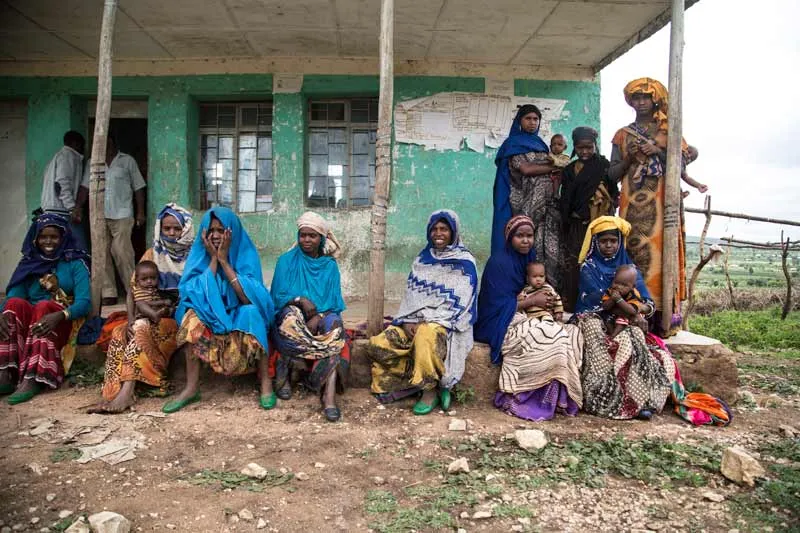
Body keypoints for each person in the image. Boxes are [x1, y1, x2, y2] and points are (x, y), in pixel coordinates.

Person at [574, 216, 731, 426]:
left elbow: (647, 303)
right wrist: (622, 306)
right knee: (597, 342)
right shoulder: (589, 267)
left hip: (625, 318)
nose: (609, 245)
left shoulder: (629, 269)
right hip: (594, 317)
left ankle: (640, 402)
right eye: (604, 241)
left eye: (613, 240)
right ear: (595, 242)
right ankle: (602, 398)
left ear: (620, 242)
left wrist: (638, 311)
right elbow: (593, 301)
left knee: (635, 341)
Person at [609, 78, 699, 335]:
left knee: (663, 257)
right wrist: (630, 156)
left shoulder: (669, 132)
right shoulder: (623, 135)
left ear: (655, 100)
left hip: (661, 206)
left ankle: (662, 320)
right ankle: (629, 316)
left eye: (645, 97)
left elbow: (680, 168)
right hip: (632, 209)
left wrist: (656, 151)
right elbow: (612, 174)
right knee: (634, 258)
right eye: (636, 98)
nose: (640, 103)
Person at [162, 207, 274, 413]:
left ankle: (266, 382)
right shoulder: (199, 256)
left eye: (221, 230)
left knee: (253, 313)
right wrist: (213, 259)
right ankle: (191, 387)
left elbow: (248, 298)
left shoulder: (246, 254)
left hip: (238, 317)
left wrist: (224, 261)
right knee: (191, 317)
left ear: (232, 232)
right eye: (210, 230)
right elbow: (193, 295)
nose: (215, 235)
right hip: (211, 318)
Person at [367, 210, 478, 415]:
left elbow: (459, 307)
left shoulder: (465, 263)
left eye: (444, 229)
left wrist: (425, 322)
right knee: (378, 344)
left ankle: (429, 390)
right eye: (434, 229)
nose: (438, 233)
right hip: (414, 322)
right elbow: (411, 298)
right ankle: (416, 382)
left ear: (453, 231)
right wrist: (408, 321)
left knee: (426, 335)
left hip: (445, 325)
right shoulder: (421, 259)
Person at [475, 215, 583, 422]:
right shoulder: (499, 263)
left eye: (529, 236)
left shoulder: (530, 260)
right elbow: (493, 306)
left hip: (525, 314)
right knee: (548, 336)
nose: (525, 241)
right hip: (498, 320)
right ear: (509, 238)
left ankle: (556, 397)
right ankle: (524, 396)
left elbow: (541, 290)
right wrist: (531, 301)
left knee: (571, 333)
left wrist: (547, 305)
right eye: (520, 236)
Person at [90, 204, 194, 414]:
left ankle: (128, 390)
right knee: (121, 331)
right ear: (160, 229)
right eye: (167, 229)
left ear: (186, 229)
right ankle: (110, 392)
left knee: (140, 329)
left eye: (177, 228)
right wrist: (129, 319)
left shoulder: (194, 257)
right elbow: (131, 291)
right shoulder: (151, 254)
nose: (172, 233)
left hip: (178, 317)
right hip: (147, 314)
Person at [0, 213, 90, 404]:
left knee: (43, 306)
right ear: (35, 238)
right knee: (12, 305)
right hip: (33, 322)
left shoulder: (75, 262)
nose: (48, 241)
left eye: (54, 237)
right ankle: (6, 372)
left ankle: (35, 377)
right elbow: (14, 294)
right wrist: (3, 312)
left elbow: (83, 303)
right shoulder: (29, 263)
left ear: (63, 237)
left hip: (62, 321)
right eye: (43, 237)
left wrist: (60, 315)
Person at [270, 212, 348, 422]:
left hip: (321, 315)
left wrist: (318, 315)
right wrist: (300, 300)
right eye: (303, 235)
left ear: (321, 238)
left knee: (334, 325)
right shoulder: (286, 261)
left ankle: (328, 394)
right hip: (292, 314)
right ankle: (284, 377)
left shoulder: (329, 266)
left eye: (312, 236)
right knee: (290, 318)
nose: (306, 240)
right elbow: (277, 296)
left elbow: (334, 302)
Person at [491, 105, 561, 290]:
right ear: (520, 121)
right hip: (523, 206)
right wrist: (556, 167)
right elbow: (526, 169)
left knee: (543, 247)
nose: (532, 123)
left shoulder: (541, 144)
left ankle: (547, 293)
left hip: (546, 207)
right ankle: (520, 292)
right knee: (523, 245)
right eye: (528, 118)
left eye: (535, 119)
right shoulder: (513, 144)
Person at [81, 134, 147, 306]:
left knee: (122, 251)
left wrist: (141, 212)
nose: (106, 147)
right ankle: (108, 292)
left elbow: (139, 187)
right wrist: (77, 207)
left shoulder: (127, 161)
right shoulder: (92, 162)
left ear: (114, 143)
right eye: (103, 144)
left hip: (123, 213)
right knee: (101, 252)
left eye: (109, 143)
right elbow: (84, 187)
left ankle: (132, 290)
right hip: (99, 215)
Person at [560, 126, 618, 311]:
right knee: (575, 263)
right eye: (580, 148)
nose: (584, 152)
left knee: (599, 262)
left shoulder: (603, 166)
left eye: (589, 147)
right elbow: (566, 198)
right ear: (574, 148)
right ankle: (574, 303)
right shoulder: (569, 169)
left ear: (595, 145)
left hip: (599, 227)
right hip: (577, 225)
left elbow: (613, 192)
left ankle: (601, 303)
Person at [40, 131, 88, 249]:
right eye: (82, 146)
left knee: (59, 249)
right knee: (79, 248)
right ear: (76, 144)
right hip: (61, 210)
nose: (84, 150)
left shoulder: (56, 157)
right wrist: (72, 208)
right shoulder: (68, 156)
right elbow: (61, 184)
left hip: (51, 210)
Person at [600, 264, 648, 338]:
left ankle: (614, 336)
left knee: (622, 320)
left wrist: (619, 299)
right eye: (616, 282)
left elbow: (633, 311)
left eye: (624, 285)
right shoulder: (610, 291)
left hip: (629, 314)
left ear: (633, 287)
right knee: (606, 318)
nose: (619, 287)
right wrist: (612, 299)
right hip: (615, 314)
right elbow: (605, 307)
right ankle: (610, 334)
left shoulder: (633, 294)